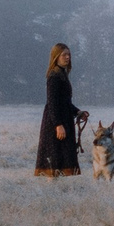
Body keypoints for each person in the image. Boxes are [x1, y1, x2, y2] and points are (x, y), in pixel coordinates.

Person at [34, 42, 88, 177]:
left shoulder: (62, 74)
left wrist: (77, 112)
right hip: (55, 123)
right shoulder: (54, 76)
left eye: (69, 54)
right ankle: (51, 192)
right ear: (56, 56)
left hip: (64, 120)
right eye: (64, 55)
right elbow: (52, 103)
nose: (68, 57)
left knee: (60, 161)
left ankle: (57, 192)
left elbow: (65, 102)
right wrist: (58, 125)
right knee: (53, 161)